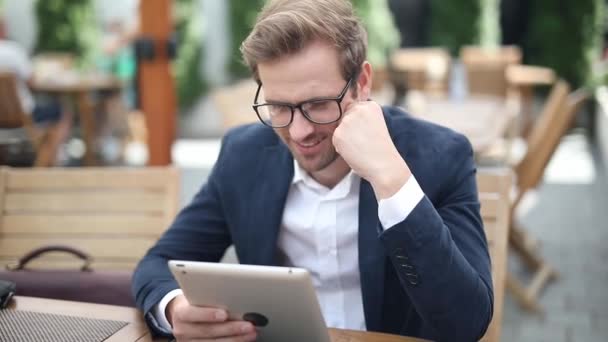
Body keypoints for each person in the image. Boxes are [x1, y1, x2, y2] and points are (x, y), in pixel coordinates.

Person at [132, 0, 493, 341]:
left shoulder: (441, 156)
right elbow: (159, 263)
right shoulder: (244, 156)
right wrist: (174, 307)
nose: (298, 131)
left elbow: (466, 323)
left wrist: (391, 180)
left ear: (362, 83)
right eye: (278, 107)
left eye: (318, 104)